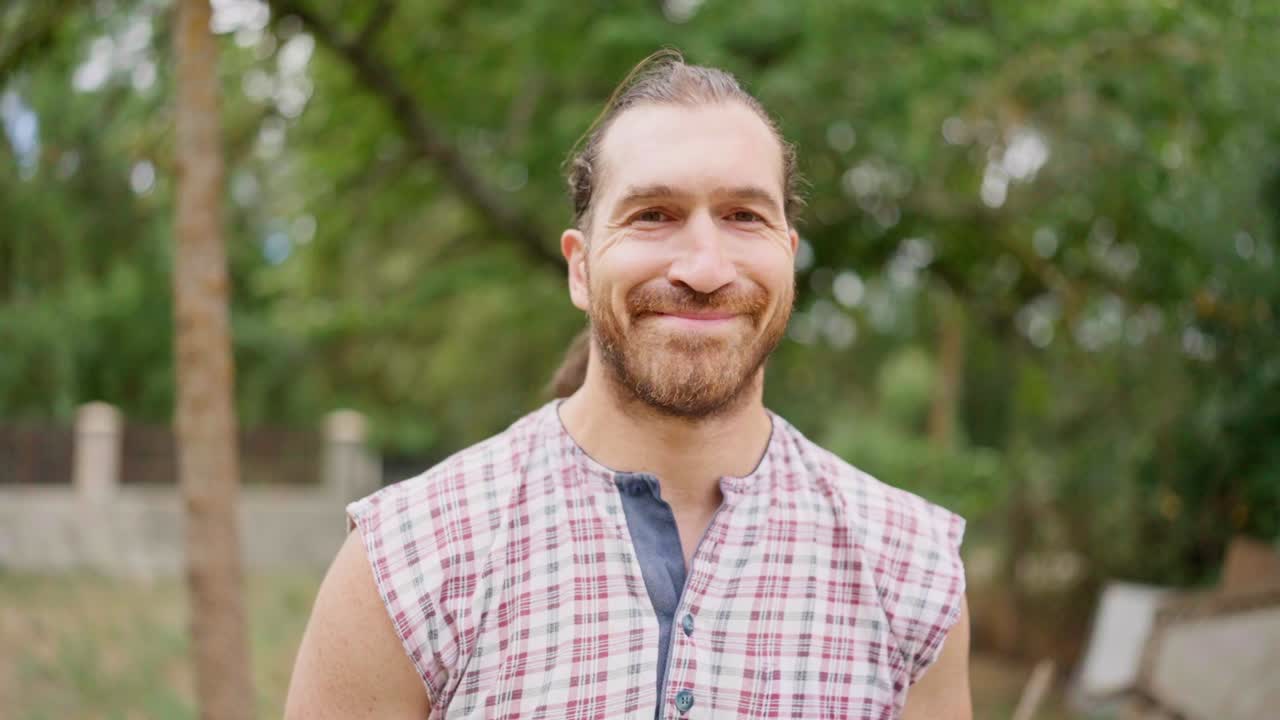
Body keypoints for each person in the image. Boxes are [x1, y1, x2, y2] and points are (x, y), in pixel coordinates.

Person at [285, 50, 970, 719]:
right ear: (580, 270)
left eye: (743, 216)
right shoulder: (408, 562)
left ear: (786, 258)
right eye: (653, 215)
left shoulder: (909, 572)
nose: (704, 267)